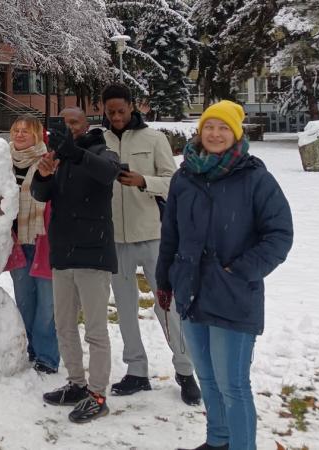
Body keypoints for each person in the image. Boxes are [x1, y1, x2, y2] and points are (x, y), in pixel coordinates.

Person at [157, 100, 293, 450]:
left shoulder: (254, 178)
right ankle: (218, 440)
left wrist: (239, 270)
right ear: (200, 132)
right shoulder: (183, 177)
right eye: (209, 127)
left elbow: (279, 234)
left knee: (233, 384)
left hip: (233, 295)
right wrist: (164, 278)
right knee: (208, 378)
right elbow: (170, 233)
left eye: (223, 128)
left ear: (235, 135)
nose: (215, 134)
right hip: (190, 290)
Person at [101, 83, 201, 405]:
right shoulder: (97, 141)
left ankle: (185, 371)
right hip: (115, 238)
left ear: (132, 107)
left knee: (166, 304)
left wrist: (144, 182)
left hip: (153, 236)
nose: (116, 117)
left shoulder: (154, 139)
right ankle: (136, 371)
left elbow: (175, 183)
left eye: (121, 110)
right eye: (110, 111)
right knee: (126, 307)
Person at [31, 108, 121, 423]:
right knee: (64, 324)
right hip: (63, 253)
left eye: (74, 123)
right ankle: (76, 384)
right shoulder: (60, 157)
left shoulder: (102, 152)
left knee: (95, 330)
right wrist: (43, 174)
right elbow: (40, 195)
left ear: (86, 125)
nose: (69, 128)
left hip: (93, 253)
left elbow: (108, 173)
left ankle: (97, 394)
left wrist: (73, 153)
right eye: (64, 123)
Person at [6, 115, 60, 375]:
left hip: (43, 241)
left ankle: (47, 355)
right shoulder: (3, 163)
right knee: (25, 301)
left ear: (38, 135)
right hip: (17, 242)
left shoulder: (47, 162)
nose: (19, 134)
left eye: (26, 131)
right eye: (16, 130)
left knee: (47, 304)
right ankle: (30, 348)